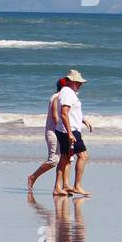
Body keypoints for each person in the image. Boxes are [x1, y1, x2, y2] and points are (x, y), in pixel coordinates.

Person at [53, 69, 93, 197]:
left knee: (64, 158)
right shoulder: (68, 93)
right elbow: (64, 114)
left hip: (66, 130)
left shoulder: (67, 92)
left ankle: (57, 188)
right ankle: (77, 186)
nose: (80, 84)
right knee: (83, 156)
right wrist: (70, 133)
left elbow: (70, 112)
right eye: (78, 82)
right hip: (69, 131)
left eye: (80, 83)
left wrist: (83, 119)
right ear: (71, 81)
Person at [28, 78, 67, 191]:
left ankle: (60, 187)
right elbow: (56, 117)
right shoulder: (56, 97)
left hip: (59, 131)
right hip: (54, 132)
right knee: (54, 160)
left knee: (63, 159)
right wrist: (64, 130)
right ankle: (33, 177)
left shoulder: (62, 97)